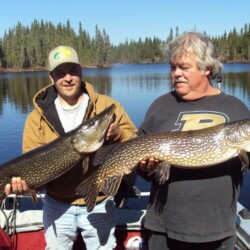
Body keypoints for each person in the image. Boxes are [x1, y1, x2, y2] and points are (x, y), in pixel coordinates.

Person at [5, 45, 137, 249]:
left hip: (100, 203)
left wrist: (119, 135)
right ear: (51, 77)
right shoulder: (36, 118)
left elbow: (136, 145)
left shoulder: (106, 105)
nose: (67, 78)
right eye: (60, 72)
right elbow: (33, 169)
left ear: (80, 72)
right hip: (57, 206)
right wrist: (23, 186)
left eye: (72, 71)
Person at [138, 31, 250, 250]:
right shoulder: (160, 106)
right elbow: (143, 169)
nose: (177, 74)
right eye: (173, 67)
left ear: (206, 68)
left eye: (184, 67)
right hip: (163, 225)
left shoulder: (235, 108)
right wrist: (145, 167)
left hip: (216, 228)